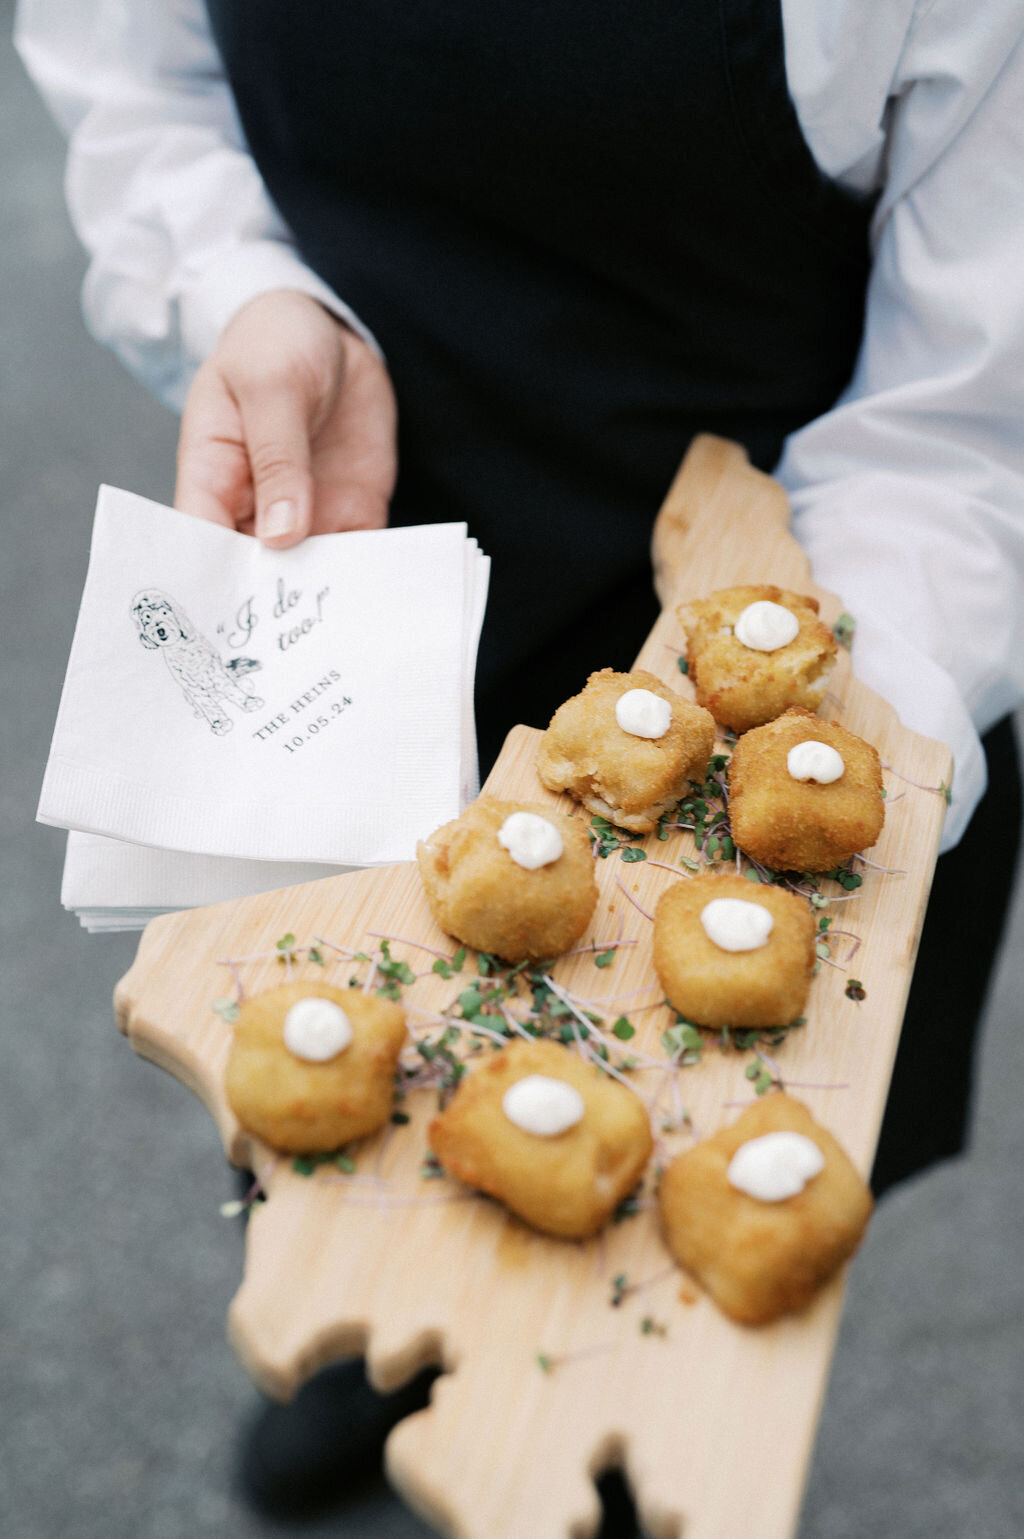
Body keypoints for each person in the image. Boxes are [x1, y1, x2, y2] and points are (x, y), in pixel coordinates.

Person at [16, 0, 1024, 1521]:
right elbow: (127, 60)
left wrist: (821, 729)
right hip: (369, 545)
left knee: (687, 1204)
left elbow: (978, 404)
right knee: (343, 1057)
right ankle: (374, 1362)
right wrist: (240, 287)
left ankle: (604, 1453)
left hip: (798, 588)